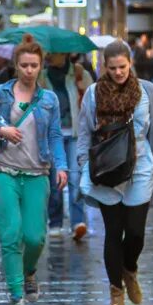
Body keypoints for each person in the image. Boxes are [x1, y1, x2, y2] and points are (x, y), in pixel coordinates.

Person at [77, 40, 153, 305]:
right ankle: (116, 292)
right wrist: (84, 164)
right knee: (113, 232)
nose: (118, 72)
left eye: (122, 67)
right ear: (104, 67)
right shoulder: (94, 93)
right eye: (112, 68)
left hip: (141, 167)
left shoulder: (148, 91)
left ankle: (129, 269)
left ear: (131, 64)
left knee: (135, 233)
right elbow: (84, 132)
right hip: (106, 170)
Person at [0, 34, 68, 305]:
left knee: (35, 237)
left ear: (41, 66)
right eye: (24, 65)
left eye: (34, 65)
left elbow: (55, 135)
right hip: (3, 171)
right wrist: (0, 131)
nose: (29, 70)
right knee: (10, 235)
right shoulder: (0, 94)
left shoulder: (49, 99)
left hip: (36, 173)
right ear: (15, 66)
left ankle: (29, 271)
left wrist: (62, 166)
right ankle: (17, 295)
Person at [42, 52, 93, 240]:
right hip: (52, 134)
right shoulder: (42, 76)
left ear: (64, 54)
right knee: (55, 179)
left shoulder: (80, 74)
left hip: (75, 133)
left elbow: (92, 101)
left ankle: (77, 221)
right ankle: (55, 222)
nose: (50, 56)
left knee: (75, 177)